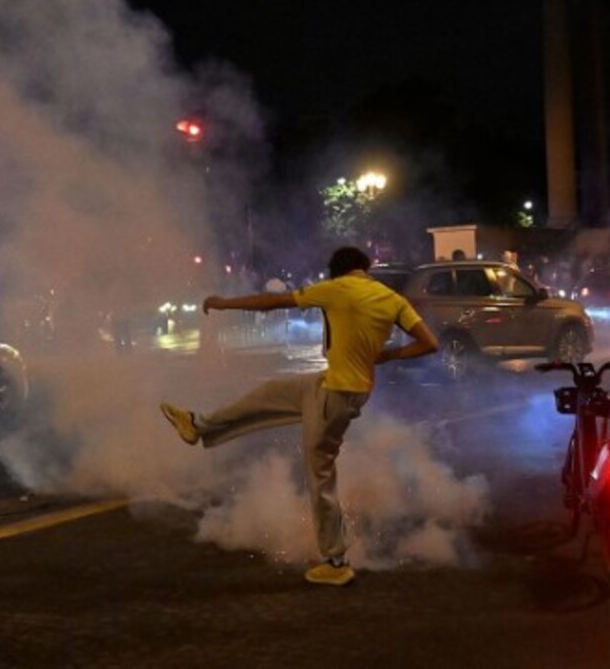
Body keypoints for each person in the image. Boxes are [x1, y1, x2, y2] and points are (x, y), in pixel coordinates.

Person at [159, 246, 439, 586]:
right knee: (270, 393)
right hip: (337, 387)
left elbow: (274, 302)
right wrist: (386, 355)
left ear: (337, 271)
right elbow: (429, 343)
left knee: (320, 475)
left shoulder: (337, 289)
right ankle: (199, 425)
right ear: (364, 268)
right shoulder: (390, 298)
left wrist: (224, 303)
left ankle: (336, 562)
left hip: (336, 394)